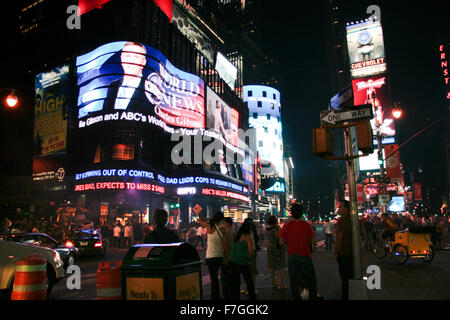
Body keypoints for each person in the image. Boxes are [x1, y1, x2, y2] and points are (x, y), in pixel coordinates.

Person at [280, 203, 319, 300]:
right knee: (311, 278)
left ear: (291, 213)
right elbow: (314, 242)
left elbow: (281, 242)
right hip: (305, 255)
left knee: (293, 280)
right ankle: (313, 296)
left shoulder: (286, 226)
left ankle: (296, 297)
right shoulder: (306, 225)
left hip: (292, 256)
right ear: (301, 213)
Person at [103, 42, 148, 113]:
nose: (131, 61)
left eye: (136, 57)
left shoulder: (150, 89)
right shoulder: (113, 86)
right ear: (121, 59)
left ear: (143, 62)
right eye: (128, 56)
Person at [335, 200, 366, 300]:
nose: (339, 209)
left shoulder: (341, 220)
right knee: (354, 275)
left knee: (345, 279)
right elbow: (363, 233)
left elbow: (339, 238)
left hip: (344, 253)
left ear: (347, 208)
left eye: (341, 207)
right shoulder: (355, 218)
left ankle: (346, 296)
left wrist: (336, 252)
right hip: (355, 253)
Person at [198, 212, 226, 300]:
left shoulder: (209, 226)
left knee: (213, 277)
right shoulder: (223, 229)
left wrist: (210, 219)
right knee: (223, 276)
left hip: (210, 256)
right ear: (221, 220)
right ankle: (224, 294)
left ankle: (215, 296)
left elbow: (199, 220)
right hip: (220, 255)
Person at [228, 220, 256, 300]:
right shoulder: (248, 237)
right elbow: (251, 252)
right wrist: (249, 259)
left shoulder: (237, 235)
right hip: (242, 261)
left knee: (236, 282)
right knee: (249, 282)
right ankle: (252, 297)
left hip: (232, 260)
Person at [266, 215, 287, 289]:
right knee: (281, 266)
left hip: (270, 249)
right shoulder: (276, 228)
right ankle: (280, 283)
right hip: (278, 249)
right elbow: (280, 237)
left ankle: (273, 282)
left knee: (272, 266)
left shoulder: (268, 228)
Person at [243, 218, 259, 294]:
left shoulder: (249, 233)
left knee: (251, 271)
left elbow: (250, 246)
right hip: (251, 253)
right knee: (249, 271)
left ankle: (251, 288)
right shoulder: (252, 232)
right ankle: (248, 288)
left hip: (250, 253)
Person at [221, 217, 235, 300]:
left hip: (227, 258)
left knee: (225, 278)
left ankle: (226, 295)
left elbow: (226, 245)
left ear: (227, 223)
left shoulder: (226, 232)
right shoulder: (233, 231)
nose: (222, 224)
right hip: (233, 257)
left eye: (223, 223)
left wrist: (227, 256)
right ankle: (232, 294)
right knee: (232, 277)